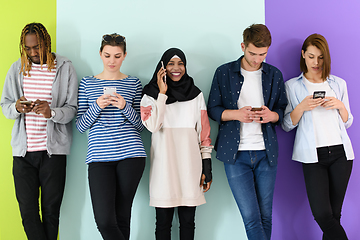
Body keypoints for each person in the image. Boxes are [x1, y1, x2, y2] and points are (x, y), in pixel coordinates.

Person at [207, 24, 287, 240]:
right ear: (243, 46)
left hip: (266, 152)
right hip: (235, 155)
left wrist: (273, 116)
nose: (257, 59)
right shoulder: (224, 72)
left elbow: (282, 109)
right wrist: (236, 114)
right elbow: (213, 110)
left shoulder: (274, 74)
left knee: (265, 216)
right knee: (251, 217)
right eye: (253, 53)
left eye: (263, 54)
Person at [0, 22, 78, 240]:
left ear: (47, 43)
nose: (33, 52)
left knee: (51, 214)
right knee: (28, 213)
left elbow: (72, 109)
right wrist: (16, 107)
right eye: (28, 48)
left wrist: (51, 113)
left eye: (37, 47)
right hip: (23, 154)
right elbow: (5, 105)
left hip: (53, 154)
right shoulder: (17, 69)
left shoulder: (65, 67)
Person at [282, 34, 354, 240]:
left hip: (341, 154)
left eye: (321, 57)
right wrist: (302, 107)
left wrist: (339, 105)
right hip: (313, 157)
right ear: (303, 55)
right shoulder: (292, 86)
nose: (316, 62)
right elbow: (286, 125)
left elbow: (348, 122)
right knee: (323, 215)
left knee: (334, 216)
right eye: (311, 56)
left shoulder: (338, 84)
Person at [76, 33, 146, 240]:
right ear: (100, 54)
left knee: (122, 217)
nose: (112, 61)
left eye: (117, 56)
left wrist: (124, 106)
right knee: (105, 221)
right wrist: (97, 106)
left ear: (125, 55)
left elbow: (142, 125)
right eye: (107, 55)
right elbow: (80, 126)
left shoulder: (134, 83)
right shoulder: (87, 83)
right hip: (99, 157)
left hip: (131, 155)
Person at [141, 48, 213, 240]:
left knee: (188, 223)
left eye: (180, 63)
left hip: (190, 168)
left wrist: (207, 165)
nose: (176, 68)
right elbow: (153, 126)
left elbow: (204, 134)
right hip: (163, 169)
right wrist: (162, 94)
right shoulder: (149, 95)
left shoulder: (196, 95)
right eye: (171, 64)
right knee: (163, 224)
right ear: (162, 68)